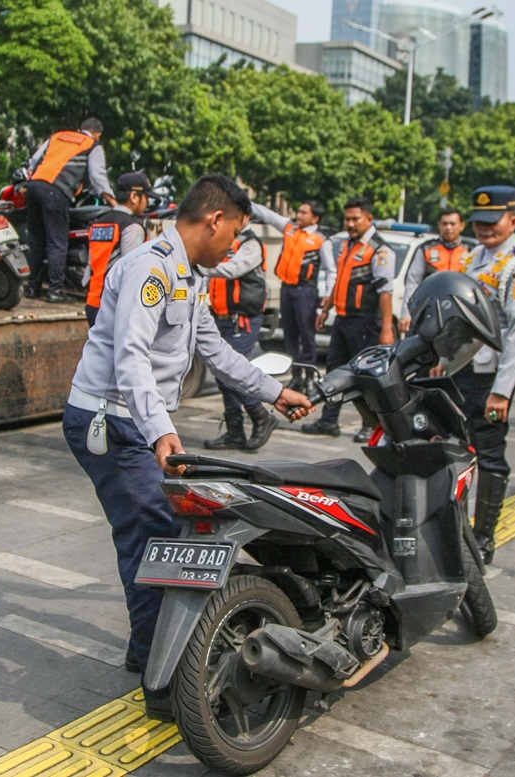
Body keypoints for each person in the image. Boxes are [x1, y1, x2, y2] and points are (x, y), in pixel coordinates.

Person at [62, 175, 312, 720]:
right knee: (154, 536)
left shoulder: (188, 274)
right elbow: (130, 356)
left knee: (160, 535)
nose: (238, 249)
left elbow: (214, 349)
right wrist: (158, 429)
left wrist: (273, 392)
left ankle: (150, 654)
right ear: (214, 220)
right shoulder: (152, 268)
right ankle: (162, 678)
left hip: (132, 419)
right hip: (110, 421)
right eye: (238, 235)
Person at [452, 186, 515, 564]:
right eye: (479, 221)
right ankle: (456, 528)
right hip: (462, 371)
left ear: (513, 221)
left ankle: (484, 536)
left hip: (490, 377)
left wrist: (502, 392)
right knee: (456, 448)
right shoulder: (476, 257)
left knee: (489, 453)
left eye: (493, 222)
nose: (485, 228)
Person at [303, 197, 396, 442]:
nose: (351, 223)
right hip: (344, 319)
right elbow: (340, 281)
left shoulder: (380, 249)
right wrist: (326, 309)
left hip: (365, 322)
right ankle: (328, 420)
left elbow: (386, 291)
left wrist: (387, 329)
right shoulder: (348, 245)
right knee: (334, 371)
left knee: (364, 377)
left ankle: (370, 424)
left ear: (369, 219)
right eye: (348, 219)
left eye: (356, 219)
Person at [202, 225, 279, 451]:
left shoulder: (250, 245)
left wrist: (198, 266)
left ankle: (261, 416)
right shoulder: (226, 243)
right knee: (221, 373)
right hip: (223, 317)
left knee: (230, 372)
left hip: (242, 318)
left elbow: (232, 270)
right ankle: (235, 432)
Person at [24, 117, 117, 302]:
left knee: (36, 241)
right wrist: (113, 201)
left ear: (79, 128)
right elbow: (97, 175)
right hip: (56, 191)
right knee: (57, 241)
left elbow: (33, 161)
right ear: (98, 134)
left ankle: (32, 288)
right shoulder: (92, 145)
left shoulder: (58, 136)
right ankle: (55, 291)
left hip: (34, 187)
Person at [251, 200, 335, 393]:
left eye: (304, 213)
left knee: (307, 336)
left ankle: (310, 378)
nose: (299, 215)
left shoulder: (321, 239)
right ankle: (296, 377)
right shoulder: (290, 228)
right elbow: (267, 215)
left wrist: (328, 295)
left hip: (305, 291)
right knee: (290, 336)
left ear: (315, 217)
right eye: (299, 211)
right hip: (287, 289)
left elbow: (331, 270)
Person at [84, 171, 151, 326]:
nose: (147, 203)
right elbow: (132, 271)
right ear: (134, 196)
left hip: (93, 302)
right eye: (146, 197)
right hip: (115, 306)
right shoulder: (132, 226)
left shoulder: (98, 224)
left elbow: (90, 264)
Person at [398, 208, 470, 334]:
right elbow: (413, 282)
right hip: (429, 312)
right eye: (444, 224)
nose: (448, 228)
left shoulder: (471, 251)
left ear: (462, 226)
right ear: (439, 225)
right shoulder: (426, 248)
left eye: (452, 224)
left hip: (460, 314)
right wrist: (406, 313)